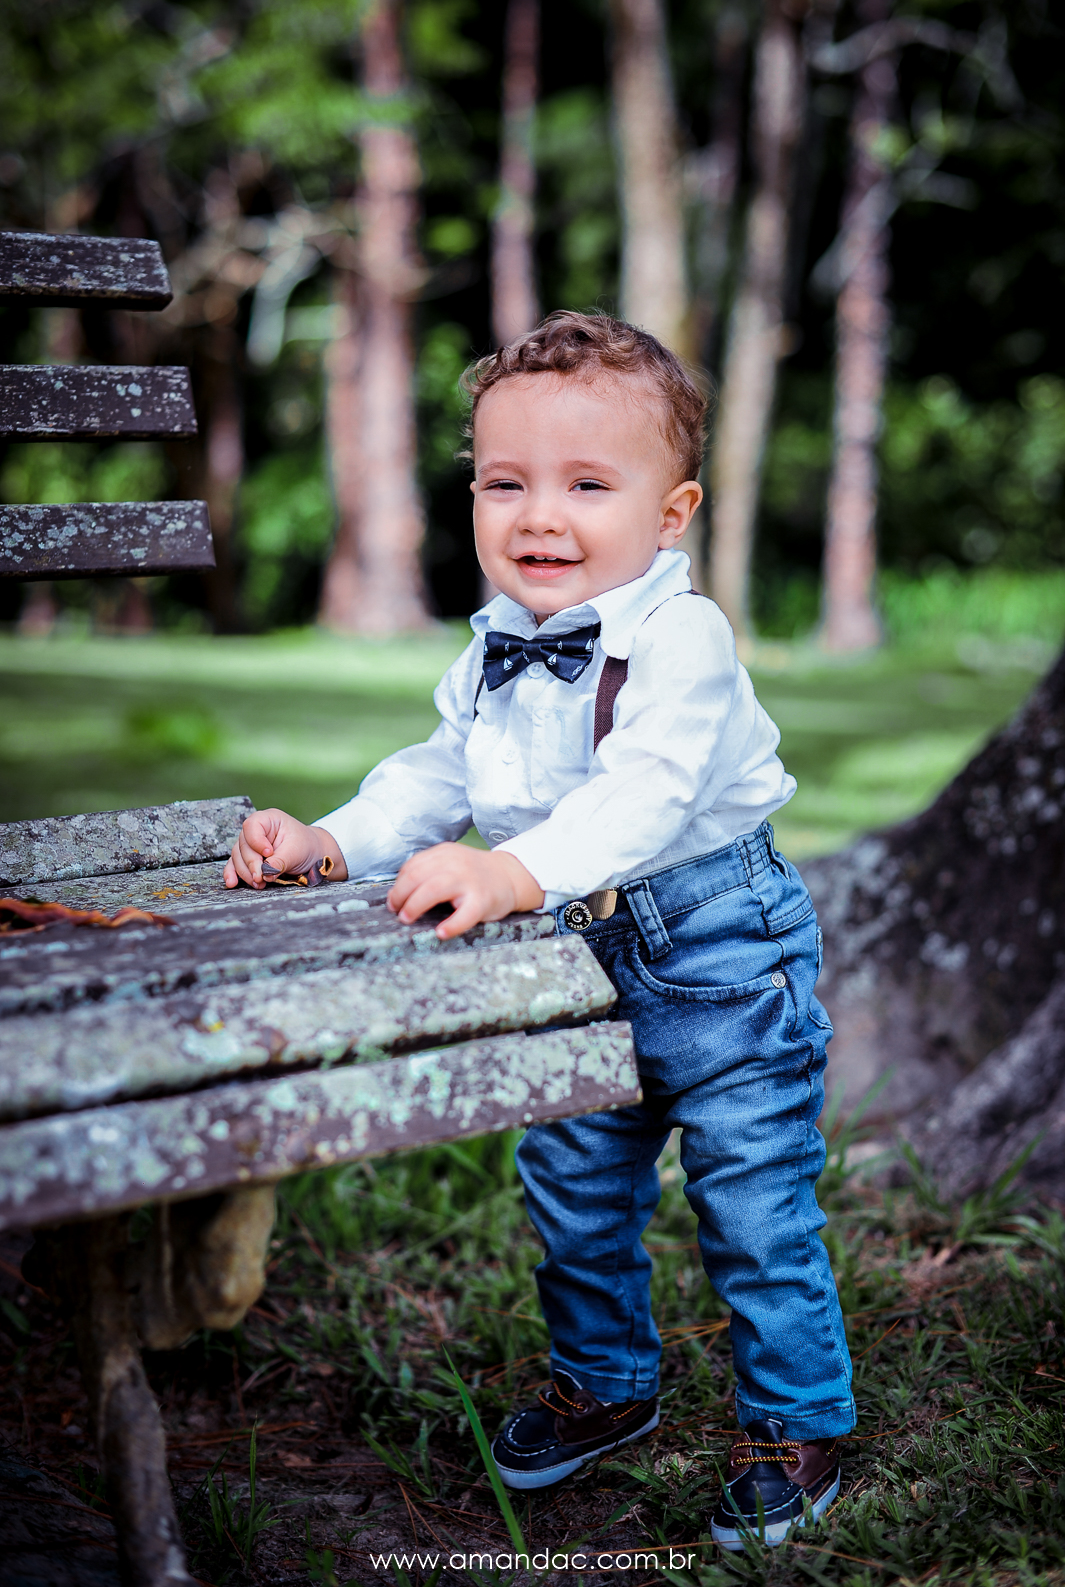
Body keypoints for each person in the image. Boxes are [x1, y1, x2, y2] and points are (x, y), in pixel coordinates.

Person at [224, 311, 854, 1550]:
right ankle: (605, 1380)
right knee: (571, 1183)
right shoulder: (496, 646)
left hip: (718, 949)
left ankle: (795, 1418)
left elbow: (648, 792)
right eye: (505, 483)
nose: (539, 517)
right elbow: (433, 774)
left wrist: (514, 869)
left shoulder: (683, 637)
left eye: (586, 486)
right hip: (571, 954)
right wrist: (334, 841)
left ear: (671, 514)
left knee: (752, 1196)